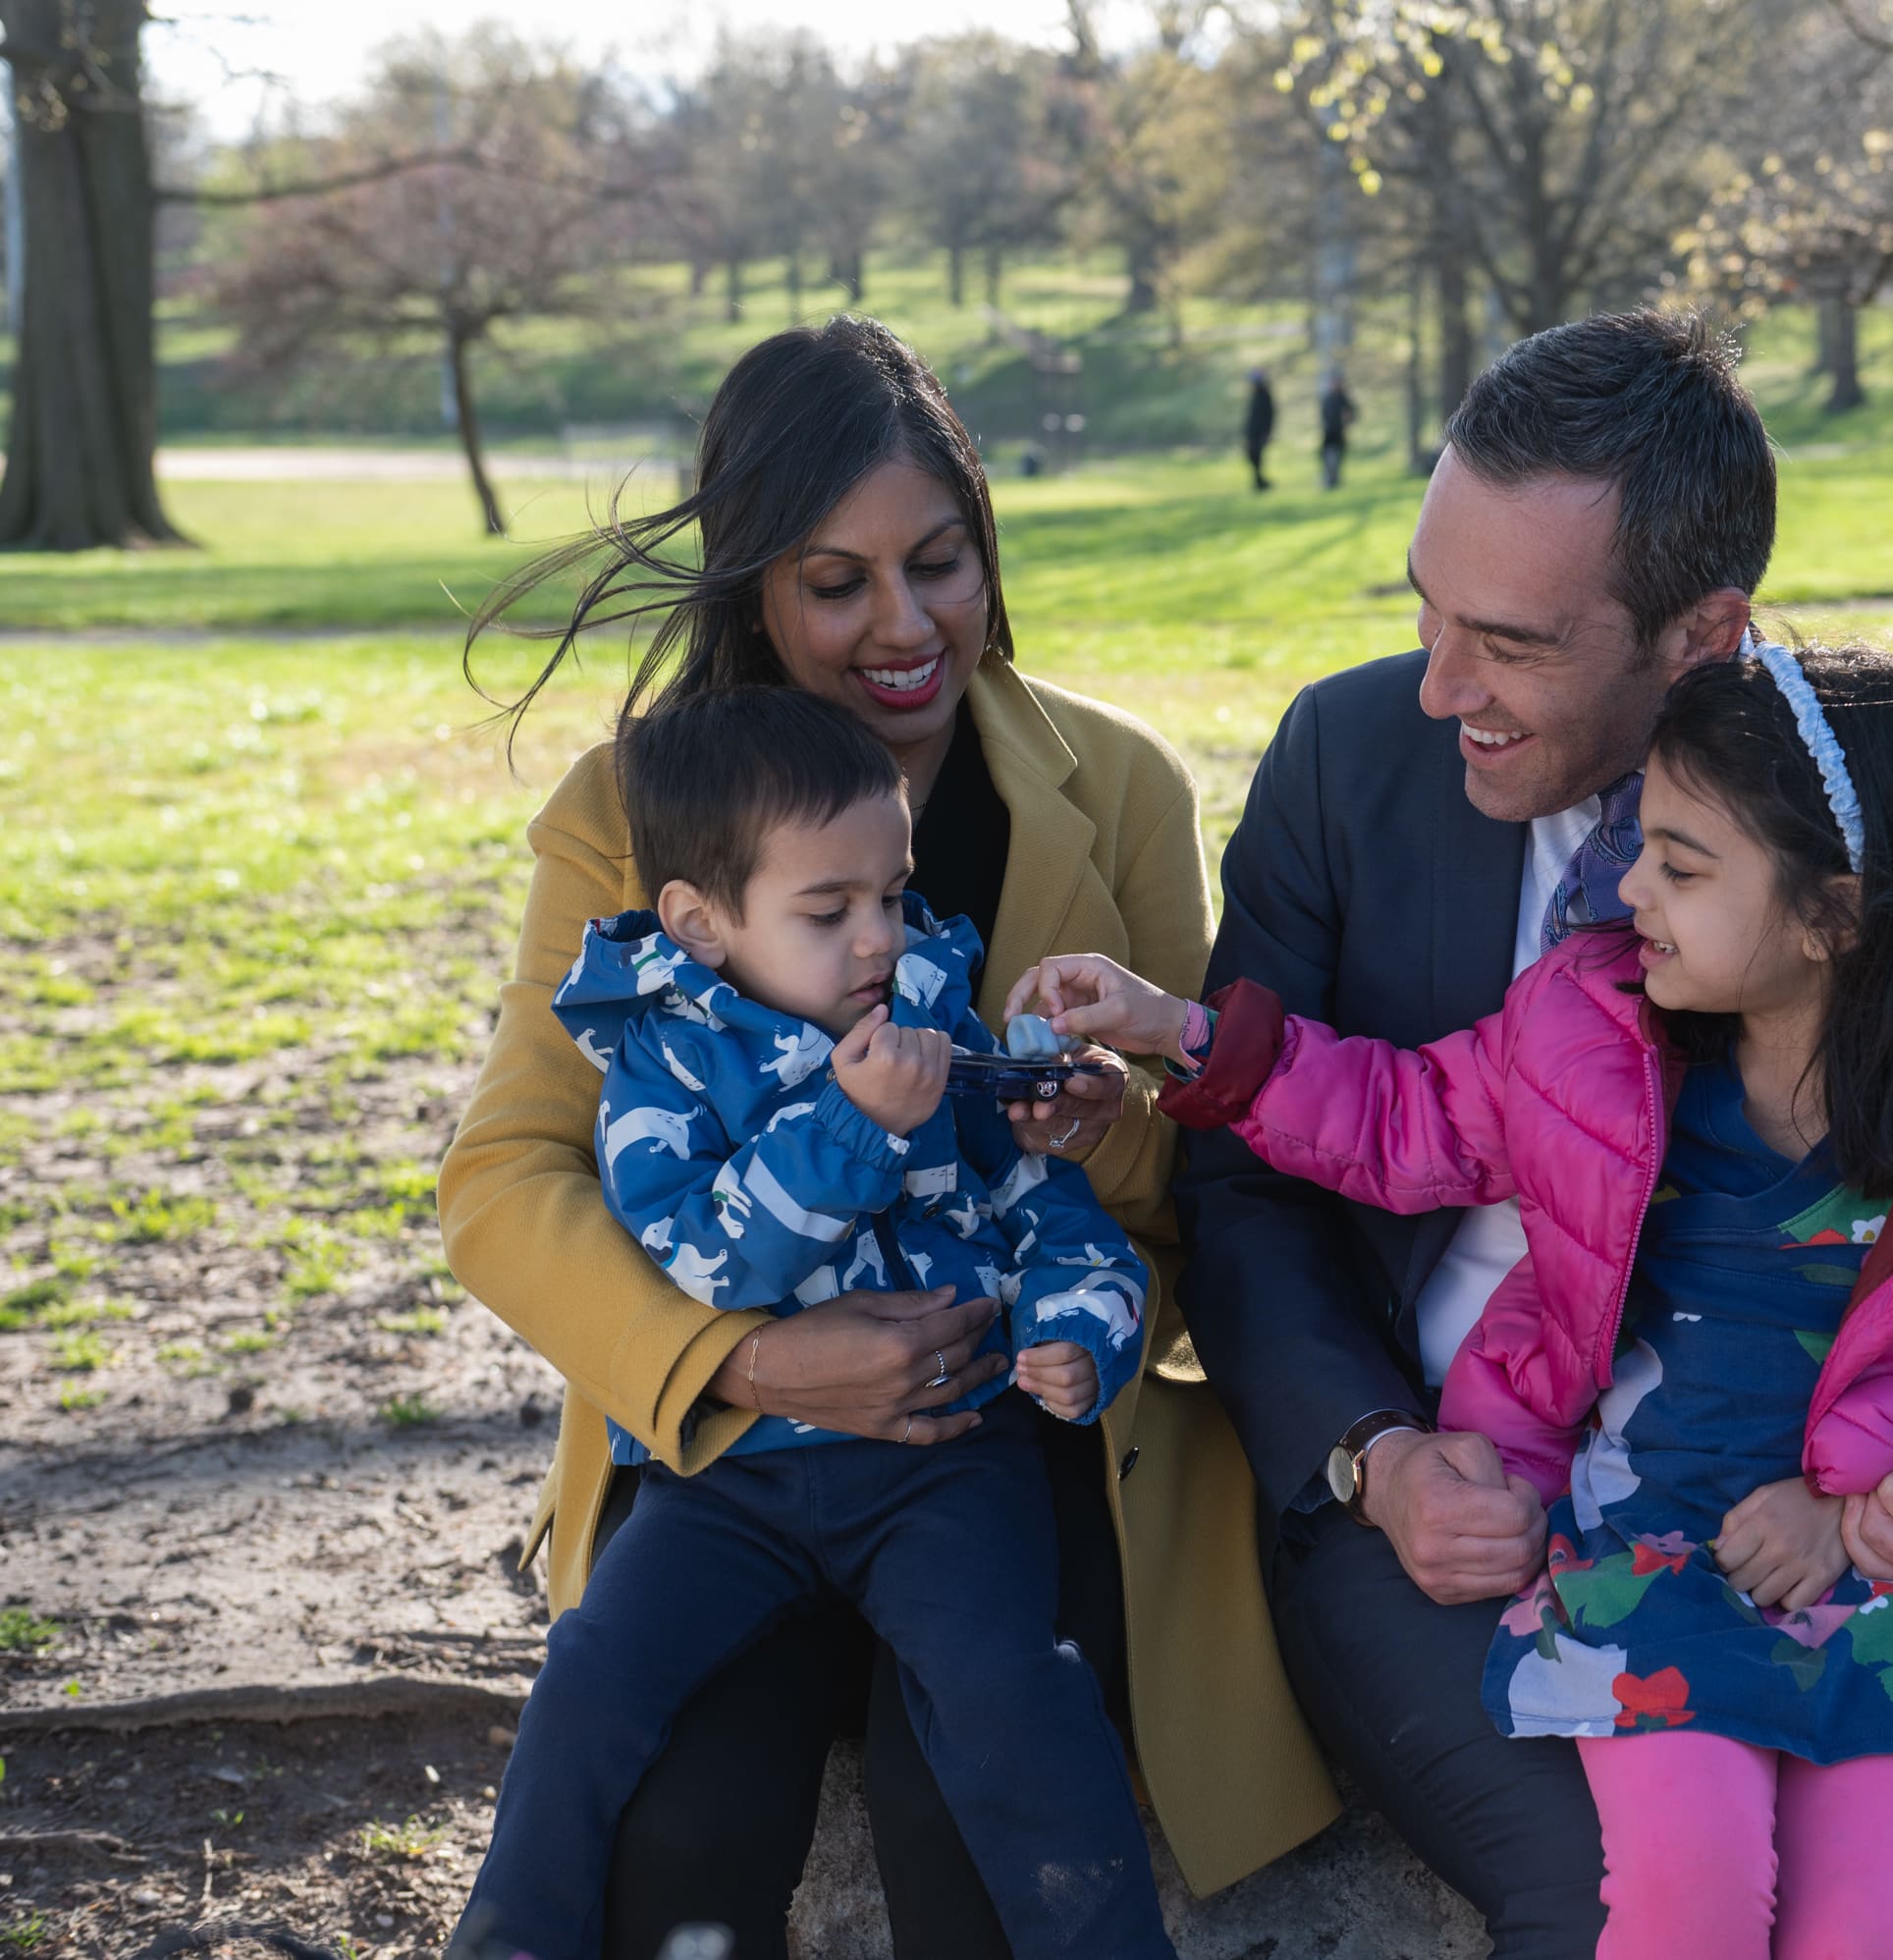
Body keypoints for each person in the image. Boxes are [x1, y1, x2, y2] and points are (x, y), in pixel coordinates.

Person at [1163, 310, 1893, 1958]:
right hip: (1456, 1512)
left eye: (1512, 641)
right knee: (1629, 1906)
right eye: (1425, 605)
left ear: (1702, 632)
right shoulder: (1346, 760)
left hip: (1823, 1533)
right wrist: (1373, 1457)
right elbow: (1246, 1184)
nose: (1437, 681)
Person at [1017, 641, 1893, 1957]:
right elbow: (1404, 1116)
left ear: (1834, 916)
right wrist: (1182, 1028)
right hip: (1646, 1559)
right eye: (1643, 849)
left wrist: (1871, 1511)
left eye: (1682, 868)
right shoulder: (1593, 1029)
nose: (1631, 891)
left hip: (1892, 1583)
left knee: (1869, 1932)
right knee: (1694, 1898)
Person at [438, 314, 1335, 1960]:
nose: (905, 625)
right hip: (726, 1431)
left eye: (941, 561)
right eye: (835, 581)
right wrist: (745, 1364)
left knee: (976, 1810)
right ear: (750, 585)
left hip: (1018, 1428)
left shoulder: (1117, 785)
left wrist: (1103, 1128)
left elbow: (1204, 1181)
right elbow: (506, 1185)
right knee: (682, 1816)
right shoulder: (635, 809)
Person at [463, 688, 1166, 1960]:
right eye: (827, 911)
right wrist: (856, 1128)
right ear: (703, 921)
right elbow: (710, 1257)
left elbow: (1051, 1217)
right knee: (593, 1675)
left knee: (1018, 1693)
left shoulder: (936, 1032)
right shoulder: (661, 1067)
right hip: (728, 1476)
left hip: (950, 1463)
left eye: (892, 898)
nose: (878, 941)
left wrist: (1081, 1330)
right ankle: (508, 1939)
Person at [1318, 370, 1357, 490]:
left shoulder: (1343, 398)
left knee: (1338, 458)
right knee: (1327, 457)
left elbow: (1351, 413)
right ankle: (1328, 479)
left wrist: (1347, 420)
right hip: (1329, 432)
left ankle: (1334, 480)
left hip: (1339, 432)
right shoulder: (1328, 398)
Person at [1243, 367, 1277, 491]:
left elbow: (1269, 416)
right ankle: (1259, 481)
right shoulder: (1255, 395)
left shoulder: (1265, 395)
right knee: (1252, 456)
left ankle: (1260, 482)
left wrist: (1267, 433)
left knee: (1257, 456)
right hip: (1252, 432)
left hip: (1260, 433)